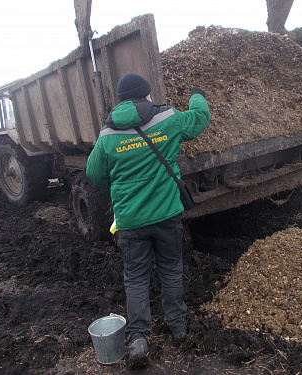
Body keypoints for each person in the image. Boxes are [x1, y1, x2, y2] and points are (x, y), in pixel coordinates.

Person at [86, 73, 210, 367]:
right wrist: (196, 94)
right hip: (166, 216)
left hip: (130, 223)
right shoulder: (167, 118)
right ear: (147, 95)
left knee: (136, 278)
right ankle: (178, 328)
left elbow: (95, 176)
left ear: (121, 100)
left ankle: (139, 338)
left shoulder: (107, 135)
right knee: (170, 269)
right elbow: (199, 119)